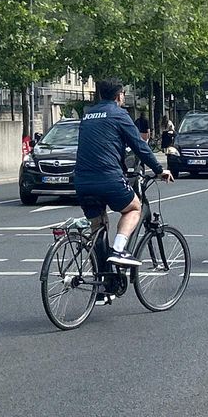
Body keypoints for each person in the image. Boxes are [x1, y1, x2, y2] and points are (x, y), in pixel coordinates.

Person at [74, 78, 172, 272]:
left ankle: (102, 283)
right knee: (134, 208)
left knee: (98, 228)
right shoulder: (119, 114)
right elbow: (140, 146)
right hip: (108, 177)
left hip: (82, 181)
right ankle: (119, 250)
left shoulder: (87, 115)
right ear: (119, 95)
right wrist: (160, 170)